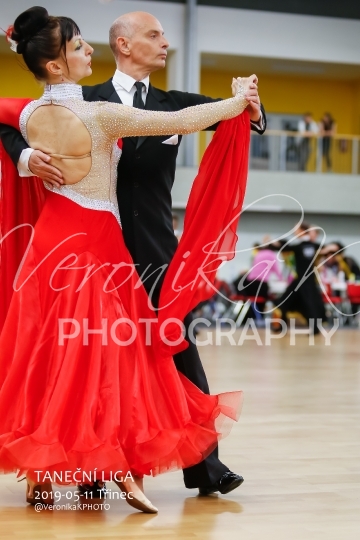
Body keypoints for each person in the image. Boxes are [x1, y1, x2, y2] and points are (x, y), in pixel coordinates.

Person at [0, 10, 267, 498]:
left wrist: (245, 104)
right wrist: (23, 155)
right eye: (154, 34)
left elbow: (219, 116)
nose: (164, 43)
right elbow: (10, 120)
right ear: (123, 44)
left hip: (147, 249)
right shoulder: (90, 101)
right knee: (85, 355)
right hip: (91, 246)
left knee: (165, 349)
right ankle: (90, 470)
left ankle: (201, 466)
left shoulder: (166, 100)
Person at [270, 222, 325, 334]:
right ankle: (280, 325)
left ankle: (314, 327)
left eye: (296, 229)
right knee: (287, 301)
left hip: (305, 281)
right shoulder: (305, 246)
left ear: (302, 231)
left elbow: (285, 247)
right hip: (302, 280)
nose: (294, 231)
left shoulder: (307, 246)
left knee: (308, 303)